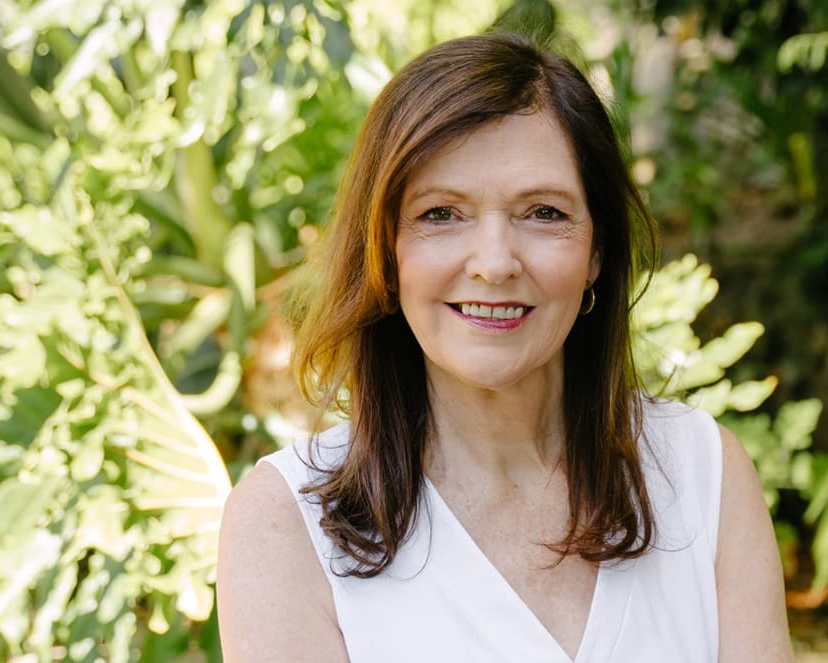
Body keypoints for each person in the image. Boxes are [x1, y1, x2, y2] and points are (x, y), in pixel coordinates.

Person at [216, 32, 793, 662]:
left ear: (597, 250)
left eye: (543, 212)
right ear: (386, 249)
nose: (494, 263)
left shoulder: (702, 475)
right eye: (441, 213)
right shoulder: (284, 525)